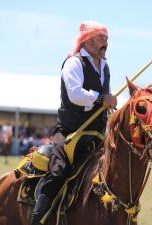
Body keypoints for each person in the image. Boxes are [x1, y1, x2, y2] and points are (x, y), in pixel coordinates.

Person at [30, 21, 117, 225]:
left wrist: (110, 102)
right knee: (58, 170)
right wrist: (100, 99)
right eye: (100, 38)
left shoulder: (105, 66)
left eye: (107, 38)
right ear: (86, 40)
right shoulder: (74, 63)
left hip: (97, 133)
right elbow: (75, 94)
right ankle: (36, 218)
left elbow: (106, 98)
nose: (105, 42)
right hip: (70, 131)